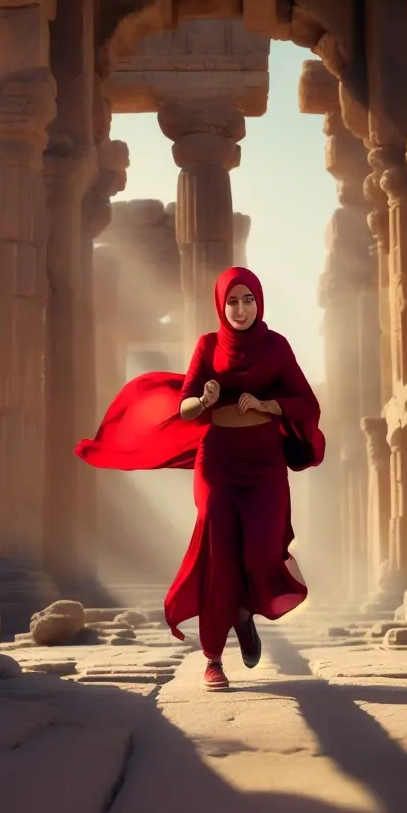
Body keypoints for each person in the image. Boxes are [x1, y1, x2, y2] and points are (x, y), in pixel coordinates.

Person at [76, 266, 325, 690]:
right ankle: (213, 657)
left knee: (261, 551)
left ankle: (245, 615)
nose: (241, 309)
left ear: (258, 303)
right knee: (219, 551)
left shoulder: (276, 347)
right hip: (218, 460)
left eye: (248, 300)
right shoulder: (208, 346)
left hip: (264, 462)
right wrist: (204, 399)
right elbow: (187, 406)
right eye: (232, 301)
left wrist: (267, 406)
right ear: (221, 304)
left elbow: (305, 402)